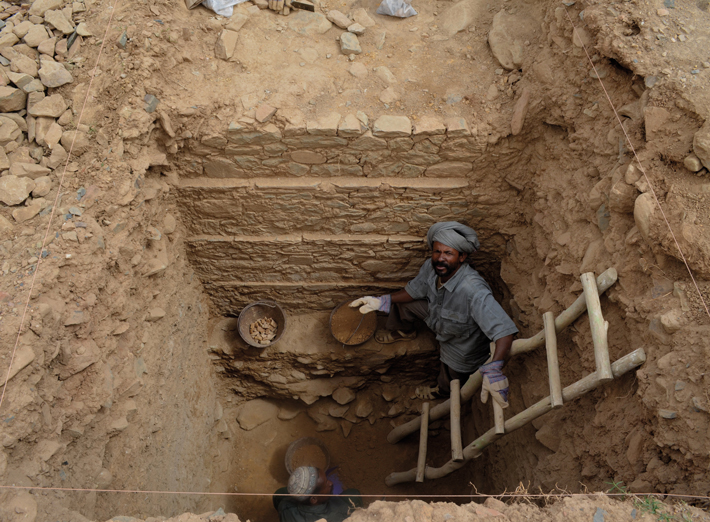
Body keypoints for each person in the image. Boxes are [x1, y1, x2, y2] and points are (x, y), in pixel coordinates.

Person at [350, 221, 518, 407]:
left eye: (448, 253)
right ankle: (405, 331)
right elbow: (414, 291)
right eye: (437, 251)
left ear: (461, 257)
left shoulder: (473, 291)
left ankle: (442, 391)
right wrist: (382, 301)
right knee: (405, 305)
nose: (440, 258)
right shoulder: (432, 269)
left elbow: (504, 331)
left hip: (461, 345)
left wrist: (495, 367)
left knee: (450, 373)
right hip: (436, 315)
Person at [273, 466, 363, 522]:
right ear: (314, 499)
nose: (330, 483)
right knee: (353, 494)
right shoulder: (338, 514)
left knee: (280, 493)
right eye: (326, 484)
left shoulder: (284, 506)